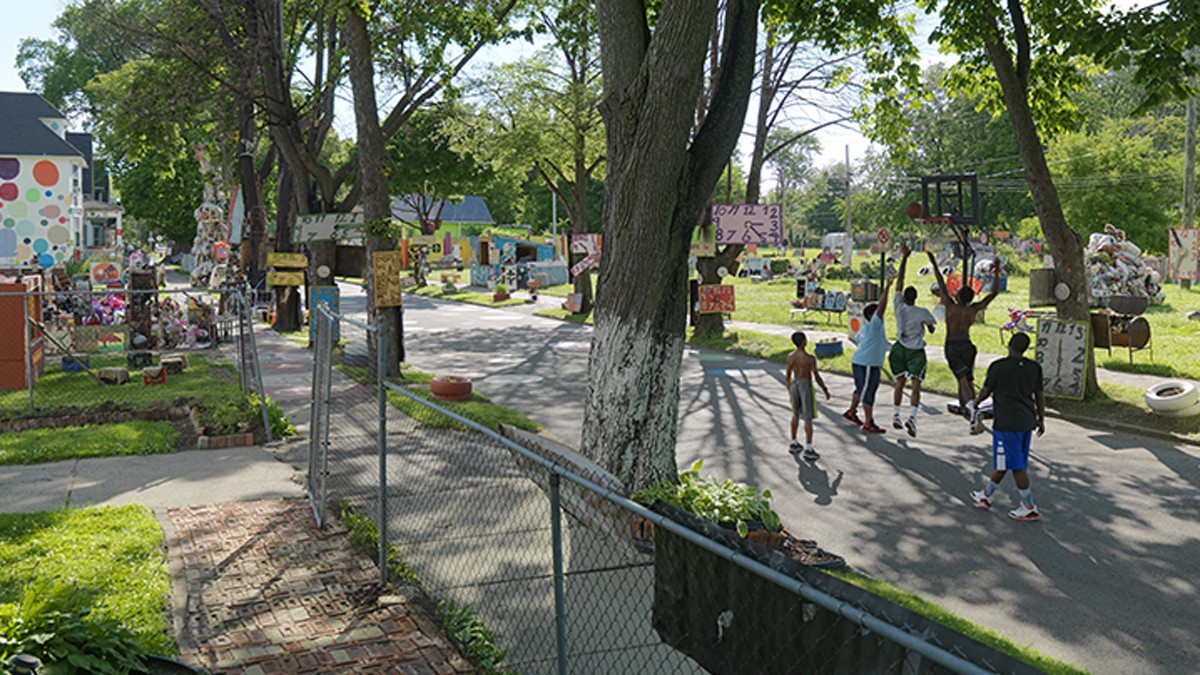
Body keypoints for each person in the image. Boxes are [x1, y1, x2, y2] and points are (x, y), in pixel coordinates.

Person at [969, 332, 1046, 521]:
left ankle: (1028, 506)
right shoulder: (1034, 368)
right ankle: (986, 495)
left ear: (1009, 344)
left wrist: (975, 402)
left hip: (1006, 424)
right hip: (1027, 421)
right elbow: (1040, 395)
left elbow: (986, 390)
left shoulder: (998, 366)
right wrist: (1041, 419)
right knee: (1004, 462)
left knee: (1017, 466)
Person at [927, 250, 1001, 433]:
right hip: (968, 346)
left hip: (953, 345)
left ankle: (972, 411)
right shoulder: (973, 309)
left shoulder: (950, 306)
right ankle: (972, 411)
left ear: (958, 296)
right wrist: (997, 270)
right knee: (967, 379)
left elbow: (941, 283)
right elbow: (995, 292)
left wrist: (934, 262)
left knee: (961, 380)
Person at [889, 244, 937, 437]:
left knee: (899, 382)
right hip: (916, 351)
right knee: (916, 384)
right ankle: (913, 418)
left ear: (905, 297)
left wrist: (905, 258)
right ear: (916, 297)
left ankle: (895, 415)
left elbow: (900, 282)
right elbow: (932, 328)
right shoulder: (922, 313)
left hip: (899, 348)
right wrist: (928, 326)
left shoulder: (898, 307)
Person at [842, 275, 894, 434]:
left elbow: (858, 341)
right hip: (868, 364)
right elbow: (882, 307)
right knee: (868, 392)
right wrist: (887, 288)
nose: (882, 315)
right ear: (873, 316)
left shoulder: (866, 328)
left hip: (863, 362)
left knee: (861, 388)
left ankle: (851, 412)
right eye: (878, 314)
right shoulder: (873, 325)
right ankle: (869, 422)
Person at [786, 331, 831, 461]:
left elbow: (788, 374)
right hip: (805, 385)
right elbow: (816, 376)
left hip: (795, 384)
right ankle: (809, 448)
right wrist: (825, 389)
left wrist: (789, 388)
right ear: (804, 341)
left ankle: (794, 441)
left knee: (795, 414)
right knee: (807, 417)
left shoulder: (791, 357)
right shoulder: (810, 358)